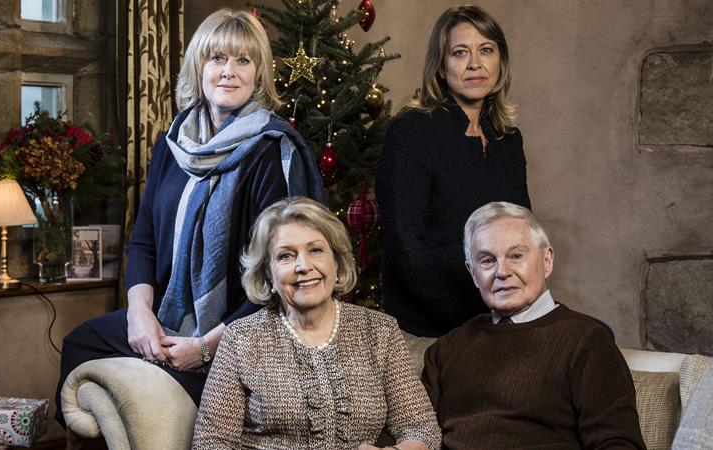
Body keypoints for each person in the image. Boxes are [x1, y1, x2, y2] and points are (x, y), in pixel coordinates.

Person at [54, 8, 326, 430]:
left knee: (220, 396)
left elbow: (280, 278)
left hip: (238, 330)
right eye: (217, 58)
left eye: (243, 60)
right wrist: (139, 314)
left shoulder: (271, 152)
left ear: (259, 73)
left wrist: (207, 345)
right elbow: (142, 240)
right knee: (80, 342)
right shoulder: (172, 144)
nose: (228, 72)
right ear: (198, 67)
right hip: (164, 317)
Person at [192, 197, 441, 450]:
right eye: (286, 256)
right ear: (268, 273)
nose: (304, 266)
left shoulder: (379, 331)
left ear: (335, 261)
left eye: (316, 250)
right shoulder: (241, 338)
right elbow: (210, 442)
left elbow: (421, 429)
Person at [422, 202, 646, 449]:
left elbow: (619, 444)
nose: (502, 272)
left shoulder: (587, 341)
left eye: (516, 256)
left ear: (547, 260)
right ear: (473, 273)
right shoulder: (448, 348)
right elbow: (412, 433)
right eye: (487, 260)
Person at [376, 5, 531, 344]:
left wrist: (524, 306)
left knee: (594, 335)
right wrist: (484, 317)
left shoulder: (507, 139)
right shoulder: (412, 132)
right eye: (460, 53)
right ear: (442, 68)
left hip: (502, 308)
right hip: (435, 320)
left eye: (486, 50)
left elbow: (522, 235)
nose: (475, 63)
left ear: (500, 62)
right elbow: (406, 250)